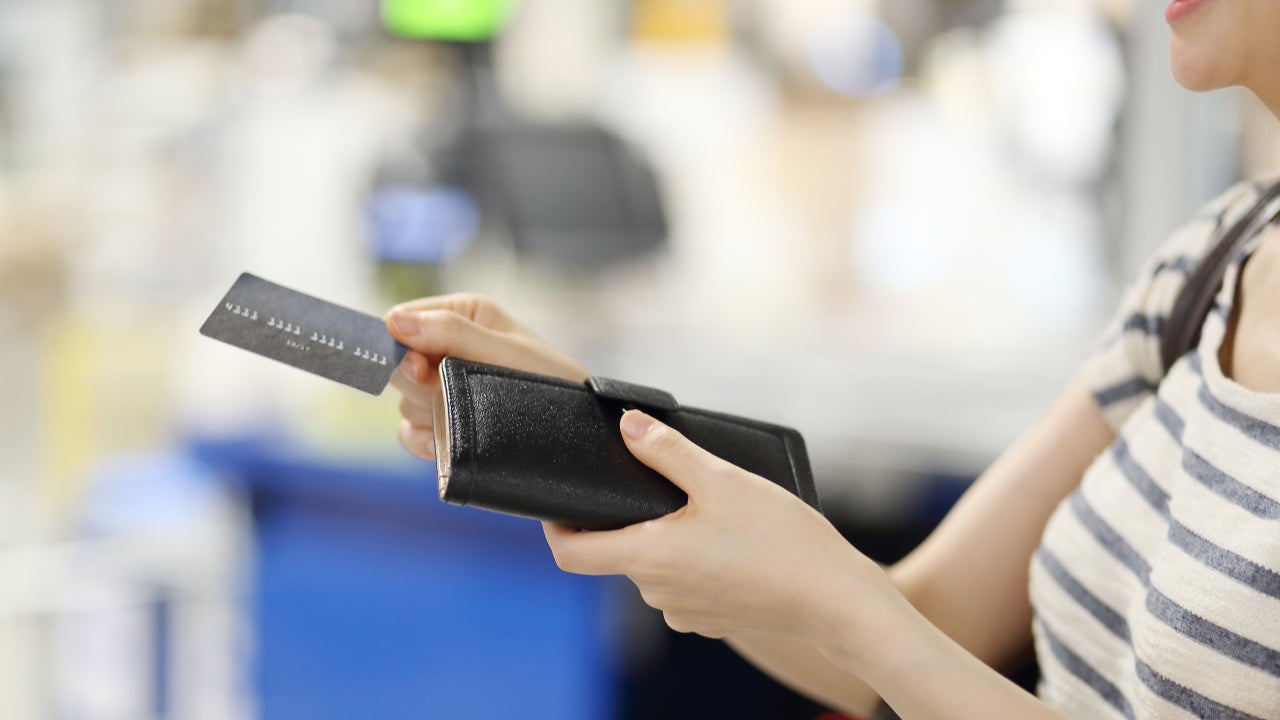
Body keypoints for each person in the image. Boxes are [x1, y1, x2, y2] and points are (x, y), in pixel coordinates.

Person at [383, 1, 1280, 716]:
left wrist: (847, 607)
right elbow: (926, 628)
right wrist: (581, 426)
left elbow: (878, 631)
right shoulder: (1213, 262)